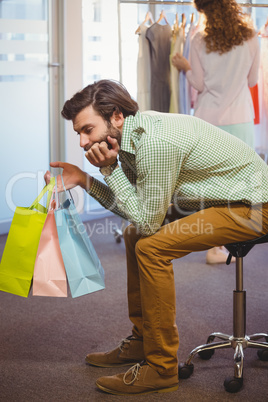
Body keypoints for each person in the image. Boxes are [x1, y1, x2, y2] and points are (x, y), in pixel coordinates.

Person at [45, 79, 268, 396]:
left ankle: (162, 368)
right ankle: (142, 341)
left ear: (116, 116)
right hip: (215, 198)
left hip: (254, 206)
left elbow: (150, 222)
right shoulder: (128, 138)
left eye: (86, 130)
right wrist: (83, 179)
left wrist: (108, 171)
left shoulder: (156, 142)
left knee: (151, 247)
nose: (82, 142)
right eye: (78, 133)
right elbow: (136, 213)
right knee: (134, 234)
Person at [172, 0, 260, 264]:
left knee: (212, 185)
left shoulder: (199, 40)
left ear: (203, 10)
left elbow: (199, 83)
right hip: (240, 117)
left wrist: (185, 67)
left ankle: (214, 247)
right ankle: (238, 240)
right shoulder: (252, 36)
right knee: (240, 185)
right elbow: (253, 81)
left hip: (208, 118)